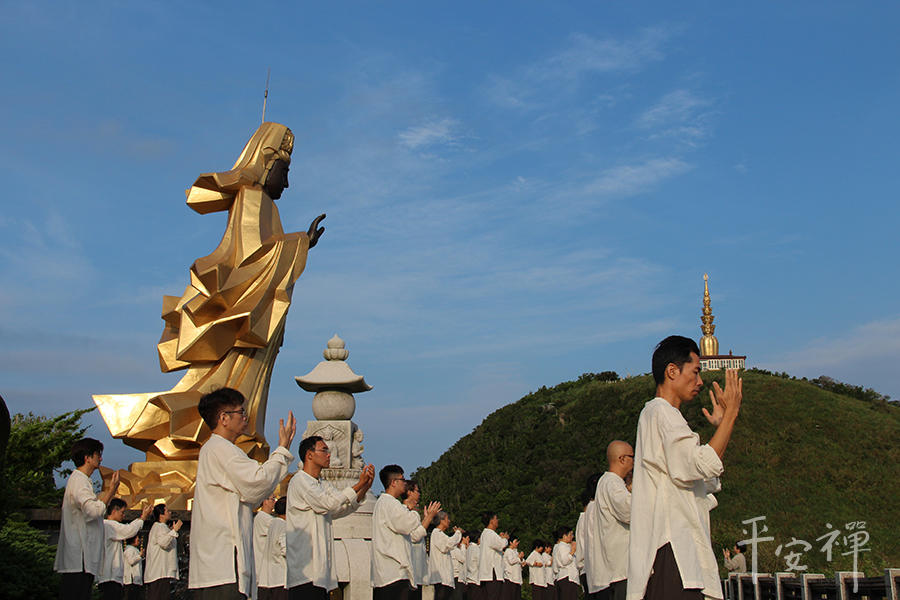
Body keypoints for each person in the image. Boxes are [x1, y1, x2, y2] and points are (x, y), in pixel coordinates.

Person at [95, 122, 326, 469]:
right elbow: (249, 259)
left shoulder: (265, 204)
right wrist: (299, 244)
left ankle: (232, 440)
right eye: (285, 170)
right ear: (266, 163)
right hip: (243, 312)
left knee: (242, 385)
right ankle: (201, 435)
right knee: (226, 387)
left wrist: (297, 245)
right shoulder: (252, 197)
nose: (287, 182)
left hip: (258, 311)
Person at [627, 336, 742, 600]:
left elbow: (703, 475)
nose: (700, 381)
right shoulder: (662, 413)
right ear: (672, 371)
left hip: (677, 552)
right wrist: (732, 413)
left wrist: (724, 426)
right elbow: (698, 464)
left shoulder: (661, 415)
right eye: (696, 371)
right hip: (674, 551)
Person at [189, 387, 297, 599]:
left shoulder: (218, 448)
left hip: (217, 564)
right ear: (224, 418)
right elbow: (257, 481)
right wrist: (282, 448)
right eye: (241, 412)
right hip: (223, 563)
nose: (246, 417)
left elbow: (254, 490)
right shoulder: (221, 448)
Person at [286, 436, 374, 600]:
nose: (329, 455)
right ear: (309, 454)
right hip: (304, 571)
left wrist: (364, 487)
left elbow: (340, 509)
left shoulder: (322, 483)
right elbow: (330, 503)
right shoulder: (300, 480)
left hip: (321, 572)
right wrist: (358, 485)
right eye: (324, 450)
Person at [54, 437, 120, 600]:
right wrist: (111, 492)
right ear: (87, 457)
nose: (101, 458)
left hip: (82, 558)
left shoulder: (82, 481)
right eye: (98, 454)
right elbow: (92, 511)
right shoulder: (79, 480)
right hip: (79, 556)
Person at [371, 465, 440, 600]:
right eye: (402, 479)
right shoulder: (390, 503)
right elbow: (408, 525)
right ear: (393, 482)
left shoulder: (384, 503)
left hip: (388, 572)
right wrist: (415, 512)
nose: (404, 483)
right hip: (393, 572)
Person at [593, 442, 633, 600]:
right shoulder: (612, 483)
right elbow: (629, 511)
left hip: (618, 568)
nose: (634, 461)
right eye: (632, 457)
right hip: (622, 567)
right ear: (622, 459)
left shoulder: (611, 483)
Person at [97, 499, 153, 600]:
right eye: (122, 512)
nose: (123, 515)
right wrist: (143, 518)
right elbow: (129, 530)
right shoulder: (110, 525)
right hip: (109, 577)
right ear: (114, 512)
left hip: (109, 576)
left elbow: (127, 528)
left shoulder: (106, 525)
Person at [145, 504, 182, 600]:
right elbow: (163, 543)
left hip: (160, 573)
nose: (170, 513)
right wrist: (174, 531)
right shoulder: (160, 526)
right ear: (161, 515)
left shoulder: (161, 527)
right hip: (159, 572)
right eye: (167, 511)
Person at [402, 481, 428, 600]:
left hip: (417, 569)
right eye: (418, 491)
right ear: (409, 492)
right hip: (410, 567)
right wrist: (428, 520)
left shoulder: (412, 512)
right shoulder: (405, 512)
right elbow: (414, 536)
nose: (419, 494)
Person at [428, 511, 463, 600]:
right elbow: (449, 543)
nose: (449, 521)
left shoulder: (440, 534)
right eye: (447, 519)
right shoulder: (437, 533)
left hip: (444, 579)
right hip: (441, 578)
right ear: (442, 521)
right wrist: (458, 533)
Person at [478, 512, 509, 600]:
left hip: (485, 572)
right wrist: (505, 539)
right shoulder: (491, 534)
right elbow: (501, 545)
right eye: (496, 519)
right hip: (492, 573)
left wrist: (499, 538)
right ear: (491, 521)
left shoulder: (485, 534)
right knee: (494, 596)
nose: (497, 521)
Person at [263, 498, 288, 600]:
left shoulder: (273, 523)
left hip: (270, 579)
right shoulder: (283, 525)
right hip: (281, 578)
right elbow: (286, 549)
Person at [254, 494, 278, 600]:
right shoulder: (262, 518)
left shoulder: (269, 518)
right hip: (261, 563)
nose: (274, 501)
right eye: (272, 499)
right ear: (265, 501)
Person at [552, 526, 579, 600]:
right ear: (564, 536)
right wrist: (572, 551)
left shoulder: (559, 547)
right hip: (567, 578)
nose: (572, 537)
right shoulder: (563, 546)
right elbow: (565, 561)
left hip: (562, 578)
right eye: (571, 535)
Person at [123, 535, 144, 600]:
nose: (138, 540)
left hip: (136, 580)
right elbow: (131, 561)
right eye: (136, 538)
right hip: (131, 580)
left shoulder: (136, 549)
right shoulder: (129, 549)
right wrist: (139, 556)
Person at [451, 533, 469, 600]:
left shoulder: (451, 550)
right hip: (457, 576)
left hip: (454, 575)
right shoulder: (456, 550)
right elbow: (463, 559)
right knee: (458, 595)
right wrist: (464, 547)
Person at [466, 531, 482, 600]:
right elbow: (480, 564)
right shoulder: (477, 550)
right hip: (475, 580)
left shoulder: (469, 548)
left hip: (469, 579)